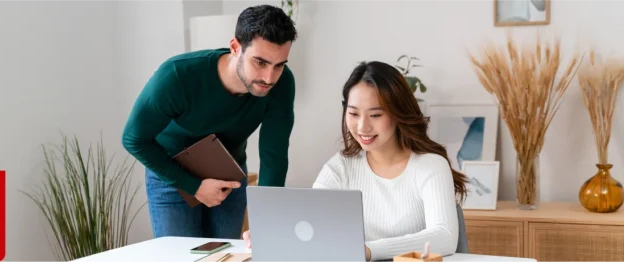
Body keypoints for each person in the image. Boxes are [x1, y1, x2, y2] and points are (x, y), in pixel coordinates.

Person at [243, 61, 469, 261]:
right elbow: (311, 222)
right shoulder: (340, 166)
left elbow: (444, 236)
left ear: (399, 113)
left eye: (375, 115)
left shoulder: (430, 166)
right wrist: (274, 233)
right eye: (353, 114)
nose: (362, 127)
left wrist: (369, 251)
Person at [121, 4, 297, 239]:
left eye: (279, 65)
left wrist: (266, 219)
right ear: (235, 47)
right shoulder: (177, 76)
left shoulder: (282, 83)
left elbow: (274, 156)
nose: (269, 78)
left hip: (229, 176)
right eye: (260, 62)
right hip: (173, 176)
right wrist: (193, 186)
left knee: (228, 254)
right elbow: (134, 139)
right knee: (180, 257)